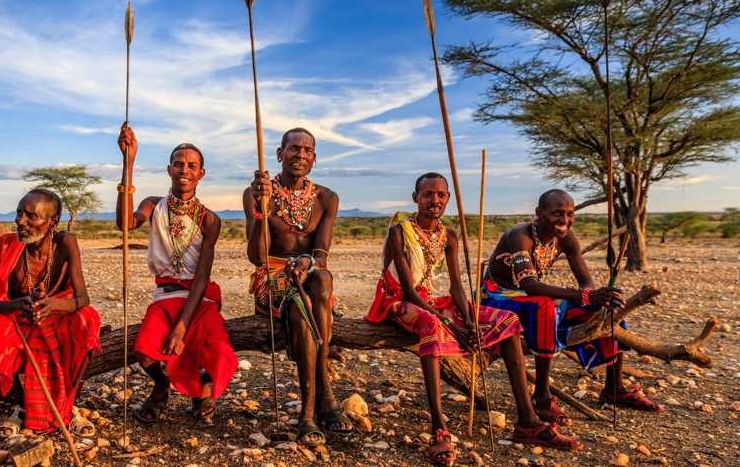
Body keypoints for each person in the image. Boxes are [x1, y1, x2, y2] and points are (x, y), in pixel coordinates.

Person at [365, 174, 581, 463]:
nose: (435, 200)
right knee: (432, 324)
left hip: (433, 297)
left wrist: (469, 322)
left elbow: (456, 286)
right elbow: (406, 289)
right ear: (415, 197)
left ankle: (528, 421)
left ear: (448, 199)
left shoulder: (448, 234)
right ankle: (439, 429)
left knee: (505, 321)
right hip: (399, 300)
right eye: (428, 194)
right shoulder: (399, 232)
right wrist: (453, 325)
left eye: (441, 195)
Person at [481, 189, 663, 428]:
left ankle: (614, 388)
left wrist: (590, 297)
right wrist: (584, 295)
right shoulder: (520, 235)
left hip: (530, 297)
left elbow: (585, 282)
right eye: (557, 213)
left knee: (607, 310)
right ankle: (542, 396)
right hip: (498, 298)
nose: (564, 220)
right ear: (539, 213)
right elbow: (530, 285)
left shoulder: (566, 238)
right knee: (544, 305)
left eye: (569, 214)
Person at [116, 124, 238, 422]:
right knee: (144, 354)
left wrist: (180, 329)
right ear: (169, 170)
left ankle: (202, 386)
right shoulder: (153, 205)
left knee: (219, 355)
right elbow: (124, 223)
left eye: (192, 165)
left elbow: (201, 277)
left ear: (201, 174)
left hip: (198, 299)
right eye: (179, 164)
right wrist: (128, 163)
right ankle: (161, 384)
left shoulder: (210, 219)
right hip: (164, 296)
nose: (185, 169)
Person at [243, 127, 351, 446]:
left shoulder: (326, 198)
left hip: (310, 276)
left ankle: (313, 407)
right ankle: (316, 406)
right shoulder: (258, 193)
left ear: (314, 159)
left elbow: (321, 254)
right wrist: (263, 210)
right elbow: (256, 257)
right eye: (293, 148)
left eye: (307, 150)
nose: (300, 155)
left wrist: (307, 262)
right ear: (280, 154)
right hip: (271, 277)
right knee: (302, 303)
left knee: (321, 278)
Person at [0, 188, 102, 435]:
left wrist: (52, 304)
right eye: (19, 213)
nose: (20, 221)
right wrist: (19, 305)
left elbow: (82, 298)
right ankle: (22, 405)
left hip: (57, 316)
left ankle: (68, 405)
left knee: (89, 319)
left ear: (52, 222)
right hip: (19, 320)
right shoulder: (5, 245)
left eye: (30, 216)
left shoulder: (66, 242)